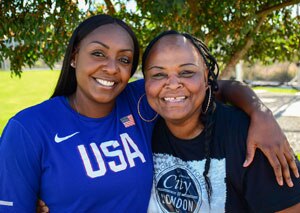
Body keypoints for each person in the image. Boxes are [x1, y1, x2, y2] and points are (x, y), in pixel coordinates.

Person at [0, 14, 297, 212]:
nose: (111, 67)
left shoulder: (140, 100)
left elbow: (215, 87)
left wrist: (260, 114)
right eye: (98, 53)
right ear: (75, 56)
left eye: (125, 59)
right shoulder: (28, 129)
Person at [143, 30, 300, 212]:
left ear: (206, 77)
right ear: (144, 82)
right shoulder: (142, 123)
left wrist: (261, 112)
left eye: (186, 72)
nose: (172, 83)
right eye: (158, 75)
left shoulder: (249, 137)